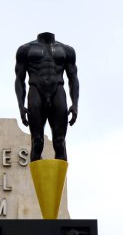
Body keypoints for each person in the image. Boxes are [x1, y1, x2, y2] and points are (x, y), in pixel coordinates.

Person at [15, 32, 79, 162]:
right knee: (37, 141)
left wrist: (75, 104)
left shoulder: (67, 50)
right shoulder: (25, 49)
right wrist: (21, 106)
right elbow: (19, 80)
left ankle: (57, 182)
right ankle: (37, 182)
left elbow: (73, 78)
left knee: (60, 142)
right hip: (36, 91)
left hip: (58, 91)